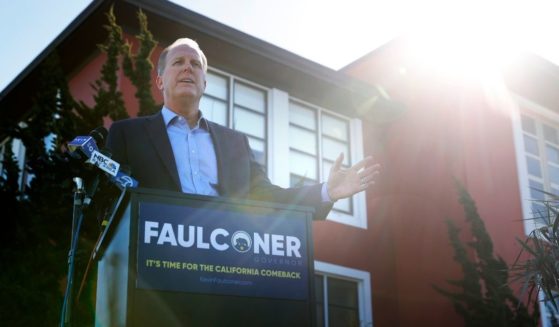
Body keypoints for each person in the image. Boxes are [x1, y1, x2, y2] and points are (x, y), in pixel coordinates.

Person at [106, 38, 379, 220]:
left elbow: (269, 198)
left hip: (227, 273)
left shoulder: (234, 143)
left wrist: (326, 192)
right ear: (160, 81)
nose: (188, 68)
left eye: (196, 65)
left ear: (205, 82)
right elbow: (107, 206)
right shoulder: (127, 135)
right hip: (153, 275)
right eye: (178, 63)